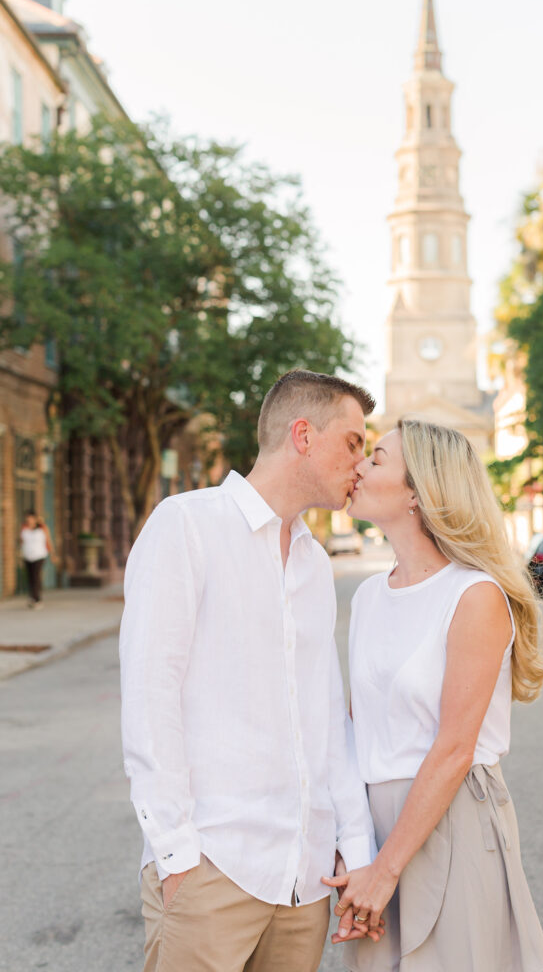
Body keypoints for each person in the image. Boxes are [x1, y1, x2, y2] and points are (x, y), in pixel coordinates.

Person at [119, 370, 383, 972]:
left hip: (304, 881)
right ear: (303, 435)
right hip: (213, 866)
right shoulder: (186, 525)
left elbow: (326, 716)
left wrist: (354, 846)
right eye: (353, 443)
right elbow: (150, 694)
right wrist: (176, 853)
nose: (361, 464)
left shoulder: (314, 563)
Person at [324, 419, 543, 972]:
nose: (358, 466)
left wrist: (386, 870)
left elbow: (454, 749)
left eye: (376, 459)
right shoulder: (369, 596)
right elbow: (354, 730)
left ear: (417, 492)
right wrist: (353, 846)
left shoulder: (474, 595)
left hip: (452, 817)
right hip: (377, 823)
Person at [20, 511, 51, 609]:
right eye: (27, 518)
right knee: (30, 577)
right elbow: (21, 542)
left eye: (30, 518)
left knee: (36, 576)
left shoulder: (42, 528)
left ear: (35, 519)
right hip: (27, 556)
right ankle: (32, 597)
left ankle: (37, 599)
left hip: (39, 556)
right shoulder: (24, 529)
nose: (28, 520)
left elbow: (48, 541)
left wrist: (53, 554)